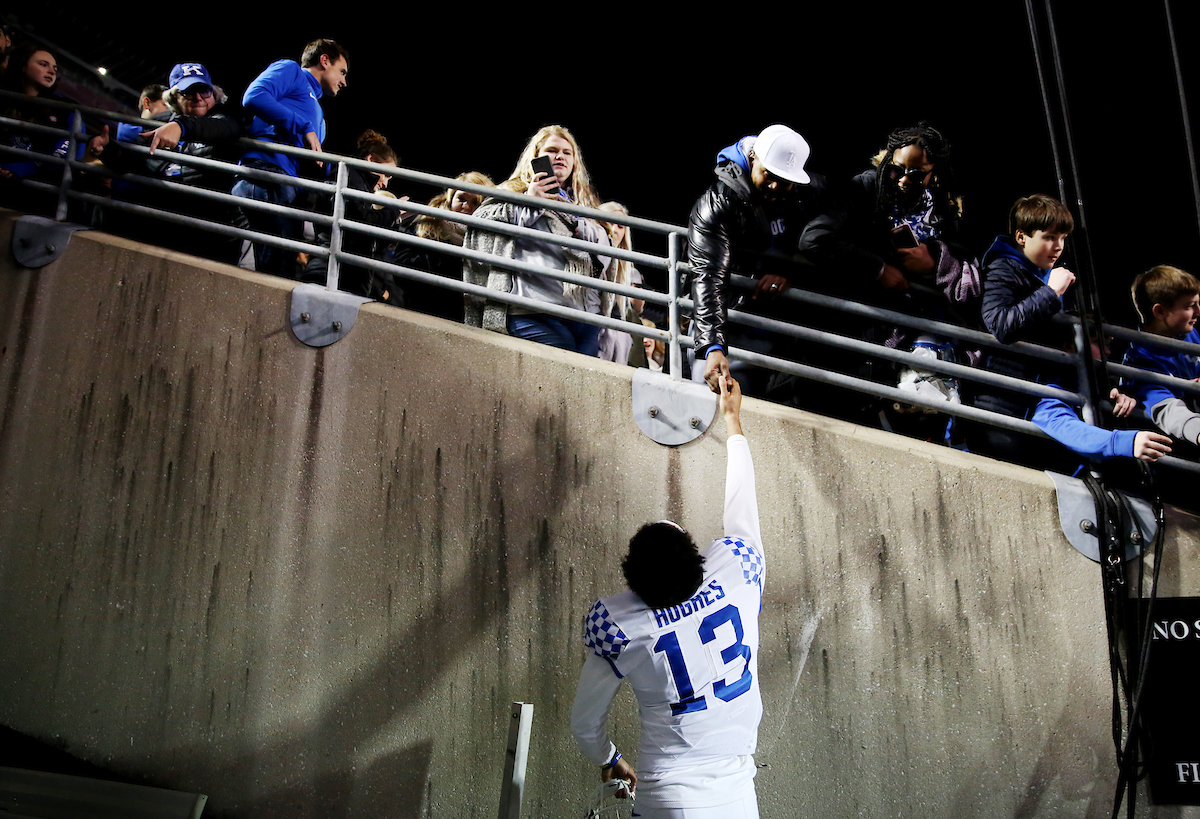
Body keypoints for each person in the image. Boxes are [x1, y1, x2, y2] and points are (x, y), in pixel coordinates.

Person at [572, 374, 763, 819]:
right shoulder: (736, 572)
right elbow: (741, 504)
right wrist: (733, 424)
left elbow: (585, 724)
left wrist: (608, 758)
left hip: (668, 795)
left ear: (634, 585)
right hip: (737, 797)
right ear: (697, 561)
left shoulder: (619, 623)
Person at [689, 124, 826, 398]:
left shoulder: (803, 193)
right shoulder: (717, 202)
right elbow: (708, 275)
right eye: (768, 174)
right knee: (714, 409)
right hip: (731, 324)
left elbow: (825, 244)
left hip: (781, 329)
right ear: (753, 158)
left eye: (785, 180)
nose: (776, 185)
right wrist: (713, 347)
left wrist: (791, 271)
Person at [463, 125, 614, 355]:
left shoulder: (583, 203)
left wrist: (577, 221)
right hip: (533, 309)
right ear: (536, 157)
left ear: (575, 162)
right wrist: (530, 202)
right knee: (564, 370)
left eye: (567, 152)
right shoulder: (512, 191)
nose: (560, 156)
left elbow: (605, 249)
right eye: (552, 150)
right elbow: (482, 223)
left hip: (584, 313)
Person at [89, 62, 244, 263]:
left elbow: (227, 128)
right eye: (189, 92)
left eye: (204, 91)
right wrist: (108, 150)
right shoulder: (159, 122)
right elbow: (133, 163)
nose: (198, 98)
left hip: (207, 235)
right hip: (158, 228)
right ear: (174, 98)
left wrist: (181, 126)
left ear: (213, 94)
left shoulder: (223, 118)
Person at [232, 38, 349, 277]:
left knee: (281, 271)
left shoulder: (318, 114)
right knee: (275, 274)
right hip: (266, 174)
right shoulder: (291, 70)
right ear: (324, 60)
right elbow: (253, 96)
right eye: (342, 71)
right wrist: (302, 126)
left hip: (288, 187)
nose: (345, 81)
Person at [392, 171, 495, 321]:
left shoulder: (490, 237)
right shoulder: (425, 224)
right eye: (461, 198)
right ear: (450, 198)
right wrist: (447, 252)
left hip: (465, 321)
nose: (466, 206)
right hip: (421, 313)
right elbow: (401, 272)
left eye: (475, 202)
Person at [1121, 265, 1200, 448]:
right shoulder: (1140, 364)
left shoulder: (1189, 333)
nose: (1198, 312)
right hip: (1179, 448)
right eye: (1190, 306)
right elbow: (1168, 410)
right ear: (1160, 312)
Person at [595, 201, 641, 365]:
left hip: (609, 331)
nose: (615, 229)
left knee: (622, 336)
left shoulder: (625, 266)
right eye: (610, 221)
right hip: (588, 322)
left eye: (621, 226)